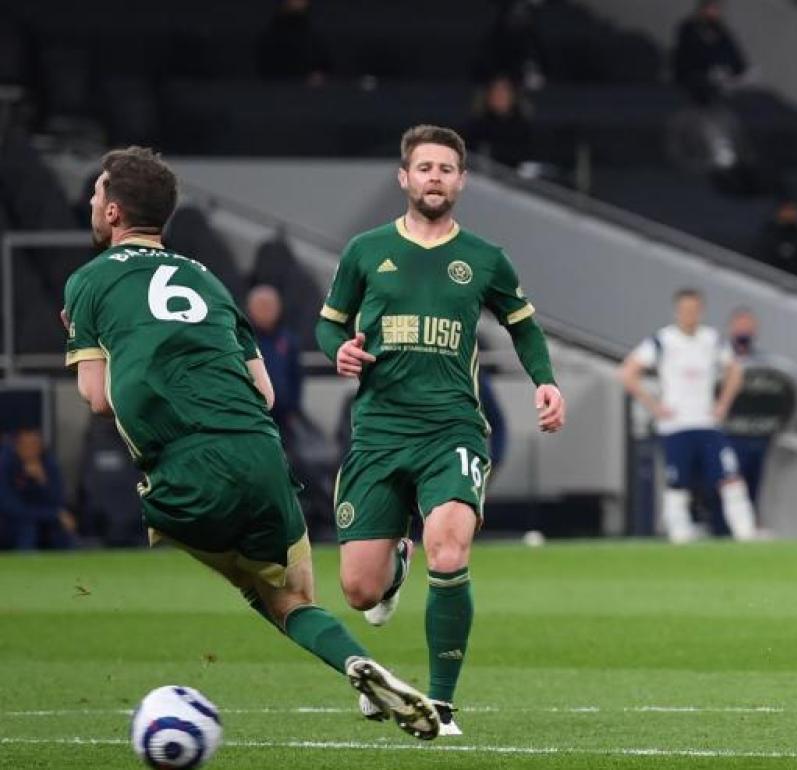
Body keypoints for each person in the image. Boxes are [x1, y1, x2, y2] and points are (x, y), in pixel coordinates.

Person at [63, 147, 440, 740]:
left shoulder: (87, 282)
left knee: (267, 595)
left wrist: (107, 349)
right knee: (297, 594)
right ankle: (356, 659)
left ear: (112, 212)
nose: (89, 202)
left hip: (181, 472)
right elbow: (263, 391)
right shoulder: (208, 279)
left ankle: (354, 664)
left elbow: (97, 398)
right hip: (259, 451)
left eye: (94, 195)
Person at [315, 125, 565, 737]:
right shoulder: (366, 250)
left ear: (461, 180)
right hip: (378, 433)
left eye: (445, 168)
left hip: (452, 429)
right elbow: (329, 326)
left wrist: (545, 380)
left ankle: (442, 704)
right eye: (424, 167)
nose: (434, 177)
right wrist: (338, 353)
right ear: (404, 178)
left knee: (449, 551)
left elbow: (523, 327)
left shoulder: (484, 258)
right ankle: (394, 566)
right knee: (357, 591)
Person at [617, 289, 756, 543]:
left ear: (700, 311)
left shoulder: (712, 340)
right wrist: (654, 406)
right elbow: (627, 372)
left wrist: (722, 404)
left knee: (730, 478)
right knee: (677, 485)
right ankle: (680, 537)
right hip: (676, 425)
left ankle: (745, 533)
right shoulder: (662, 340)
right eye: (685, 310)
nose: (690, 315)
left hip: (707, 423)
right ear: (677, 311)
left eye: (694, 310)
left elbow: (735, 372)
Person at [721, 308, 797, 508]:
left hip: (759, 434)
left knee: (755, 484)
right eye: (741, 326)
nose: (744, 331)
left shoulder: (765, 363)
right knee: (726, 482)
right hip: (728, 433)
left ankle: (748, 526)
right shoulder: (719, 358)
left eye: (748, 326)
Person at [0, 428, 76, 550]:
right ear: (17, 446)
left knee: (62, 530)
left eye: (36, 444)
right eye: (27, 445)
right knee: (27, 529)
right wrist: (53, 515)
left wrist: (42, 481)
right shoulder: (5, 465)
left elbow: (58, 500)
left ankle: (72, 566)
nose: (32, 450)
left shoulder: (48, 464)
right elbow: (11, 507)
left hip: (44, 519)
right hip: (12, 522)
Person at [247, 284, 303, 436]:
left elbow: (296, 376)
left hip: (283, 418)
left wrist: (294, 408)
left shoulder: (287, 340)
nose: (266, 310)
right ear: (250, 308)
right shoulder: (242, 340)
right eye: (261, 305)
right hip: (251, 415)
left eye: (270, 305)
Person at [672, 0, 747, 105]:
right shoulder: (688, 29)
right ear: (702, 9)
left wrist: (733, 71)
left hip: (722, 79)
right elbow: (690, 59)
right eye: (712, 8)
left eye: (717, 9)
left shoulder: (722, 32)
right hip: (694, 81)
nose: (715, 12)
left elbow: (736, 58)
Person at [463, 75, 535, 170]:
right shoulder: (475, 127)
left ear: (513, 96)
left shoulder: (525, 128)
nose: (499, 95)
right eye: (495, 91)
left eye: (504, 91)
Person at [256, 0, 332, 86]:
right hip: (276, 91)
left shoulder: (316, 36)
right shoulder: (270, 37)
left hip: (310, 94)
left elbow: (324, 67)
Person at [751, 198, 797, 278]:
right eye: (788, 209)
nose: (792, 213)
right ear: (779, 211)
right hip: (769, 281)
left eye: (794, 210)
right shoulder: (769, 235)